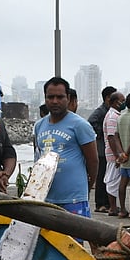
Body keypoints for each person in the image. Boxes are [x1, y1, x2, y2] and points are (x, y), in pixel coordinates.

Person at [33, 76, 98, 216]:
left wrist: (87, 188)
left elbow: (93, 161)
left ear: (68, 98)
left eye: (60, 97)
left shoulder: (80, 125)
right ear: (45, 98)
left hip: (73, 199)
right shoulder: (39, 126)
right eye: (50, 97)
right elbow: (38, 159)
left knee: (74, 238)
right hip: (46, 198)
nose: (55, 101)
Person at [88, 85, 117, 211]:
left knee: (108, 177)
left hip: (106, 148)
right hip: (101, 148)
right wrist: (101, 132)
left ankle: (108, 203)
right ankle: (100, 204)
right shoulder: (101, 111)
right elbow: (90, 122)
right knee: (101, 177)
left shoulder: (111, 111)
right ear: (108, 98)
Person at [102, 90, 127, 214]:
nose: (124, 103)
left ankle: (114, 206)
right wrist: (117, 155)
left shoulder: (115, 115)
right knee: (112, 181)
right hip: (113, 154)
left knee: (114, 180)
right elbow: (111, 137)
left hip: (114, 153)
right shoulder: (112, 117)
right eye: (122, 100)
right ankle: (112, 207)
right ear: (115, 102)